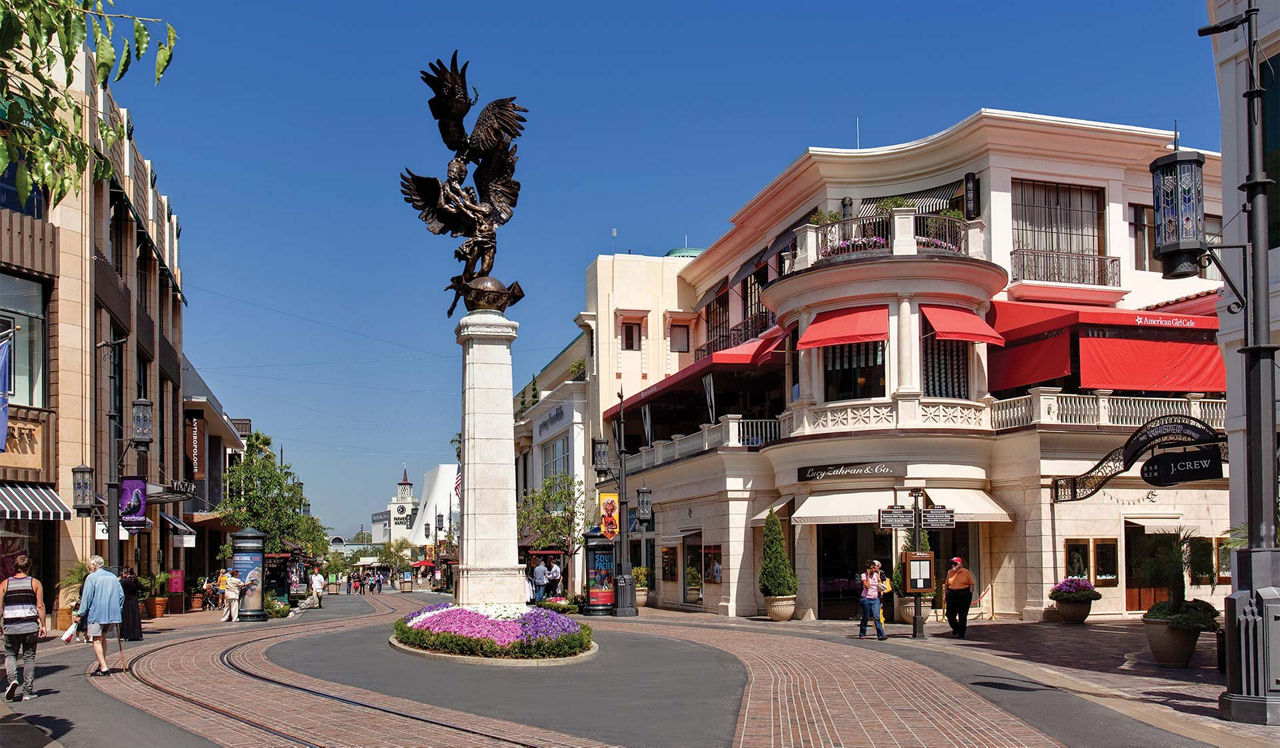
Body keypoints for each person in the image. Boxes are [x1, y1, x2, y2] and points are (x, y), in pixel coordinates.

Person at [2, 554, 46, 701]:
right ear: (29, 567)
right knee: (29, 658)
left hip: (11, 625)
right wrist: (43, 625)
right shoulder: (35, 583)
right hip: (30, 626)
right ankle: (27, 691)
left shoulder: (4, 584)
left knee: (10, 654)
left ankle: (12, 680)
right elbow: (40, 605)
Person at [74, 555, 124, 676]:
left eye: (90, 564)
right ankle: (101, 664)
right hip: (111, 613)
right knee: (103, 637)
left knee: (96, 639)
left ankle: (104, 667)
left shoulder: (92, 578)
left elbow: (87, 597)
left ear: (95, 565)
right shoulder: (112, 577)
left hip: (97, 613)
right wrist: (118, 608)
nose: (88, 567)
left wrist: (80, 613)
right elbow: (121, 595)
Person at [945, 557, 975, 638]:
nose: (953, 565)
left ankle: (961, 633)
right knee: (949, 614)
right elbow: (947, 585)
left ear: (960, 564)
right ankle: (957, 628)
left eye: (955, 564)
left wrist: (970, 593)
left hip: (963, 593)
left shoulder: (965, 572)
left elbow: (971, 583)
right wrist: (945, 596)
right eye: (952, 563)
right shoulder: (949, 572)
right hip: (952, 593)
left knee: (962, 615)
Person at [858, 559, 887, 641]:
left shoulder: (876, 575)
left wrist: (881, 591)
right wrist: (867, 575)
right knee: (865, 617)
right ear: (868, 569)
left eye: (875, 568)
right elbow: (867, 586)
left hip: (875, 599)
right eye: (872, 568)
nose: (874, 569)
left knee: (877, 617)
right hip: (866, 598)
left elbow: (879, 584)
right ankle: (862, 633)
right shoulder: (863, 575)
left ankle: (881, 635)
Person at [118, 567, 144, 642]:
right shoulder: (135, 580)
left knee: (126, 617)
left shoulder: (124, 581)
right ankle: (136, 634)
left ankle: (126, 634)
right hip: (134, 600)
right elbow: (142, 588)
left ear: (126, 573)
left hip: (126, 600)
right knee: (134, 617)